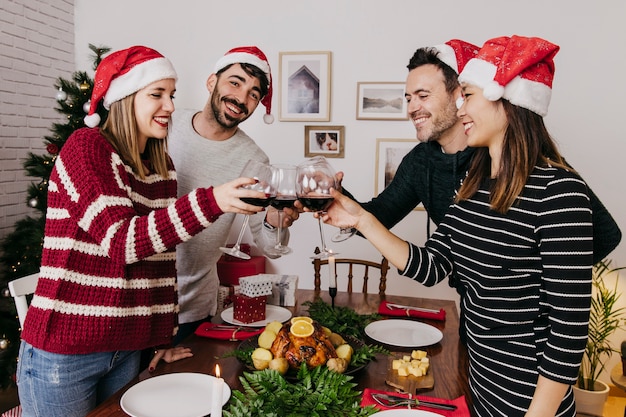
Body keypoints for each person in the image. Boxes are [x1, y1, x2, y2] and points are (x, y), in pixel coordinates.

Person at [323, 35, 592, 417]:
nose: (461, 106)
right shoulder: (471, 189)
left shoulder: (559, 190)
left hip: (530, 403)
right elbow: (432, 267)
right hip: (481, 389)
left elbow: (568, 331)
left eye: (467, 94)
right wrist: (361, 219)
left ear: (509, 100)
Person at [16, 46, 269, 417]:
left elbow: (158, 262)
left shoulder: (159, 165)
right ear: (123, 97)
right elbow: (123, 243)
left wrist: (157, 340)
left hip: (127, 350)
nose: (169, 106)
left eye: (172, 95)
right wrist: (212, 200)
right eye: (156, 95)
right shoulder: (86, 149)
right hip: (65, 354)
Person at [341, 39, 621, 263]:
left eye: (423, 96)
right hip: (475, 319)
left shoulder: (508, 160)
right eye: (408, 98)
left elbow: (605, 236)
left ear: (459, 95)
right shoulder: (421, 161)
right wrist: (332, 197)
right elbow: (383, 221)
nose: (412, 107)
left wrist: (527, 280)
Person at [168, 46, 299, 344]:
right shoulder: (168, 126)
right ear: (212, 81)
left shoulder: (254, 159)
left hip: (193, 308)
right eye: (235, 82)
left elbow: (269, 246)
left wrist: (275, 222)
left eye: (254, 94)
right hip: (140, 303)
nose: (241, 98)